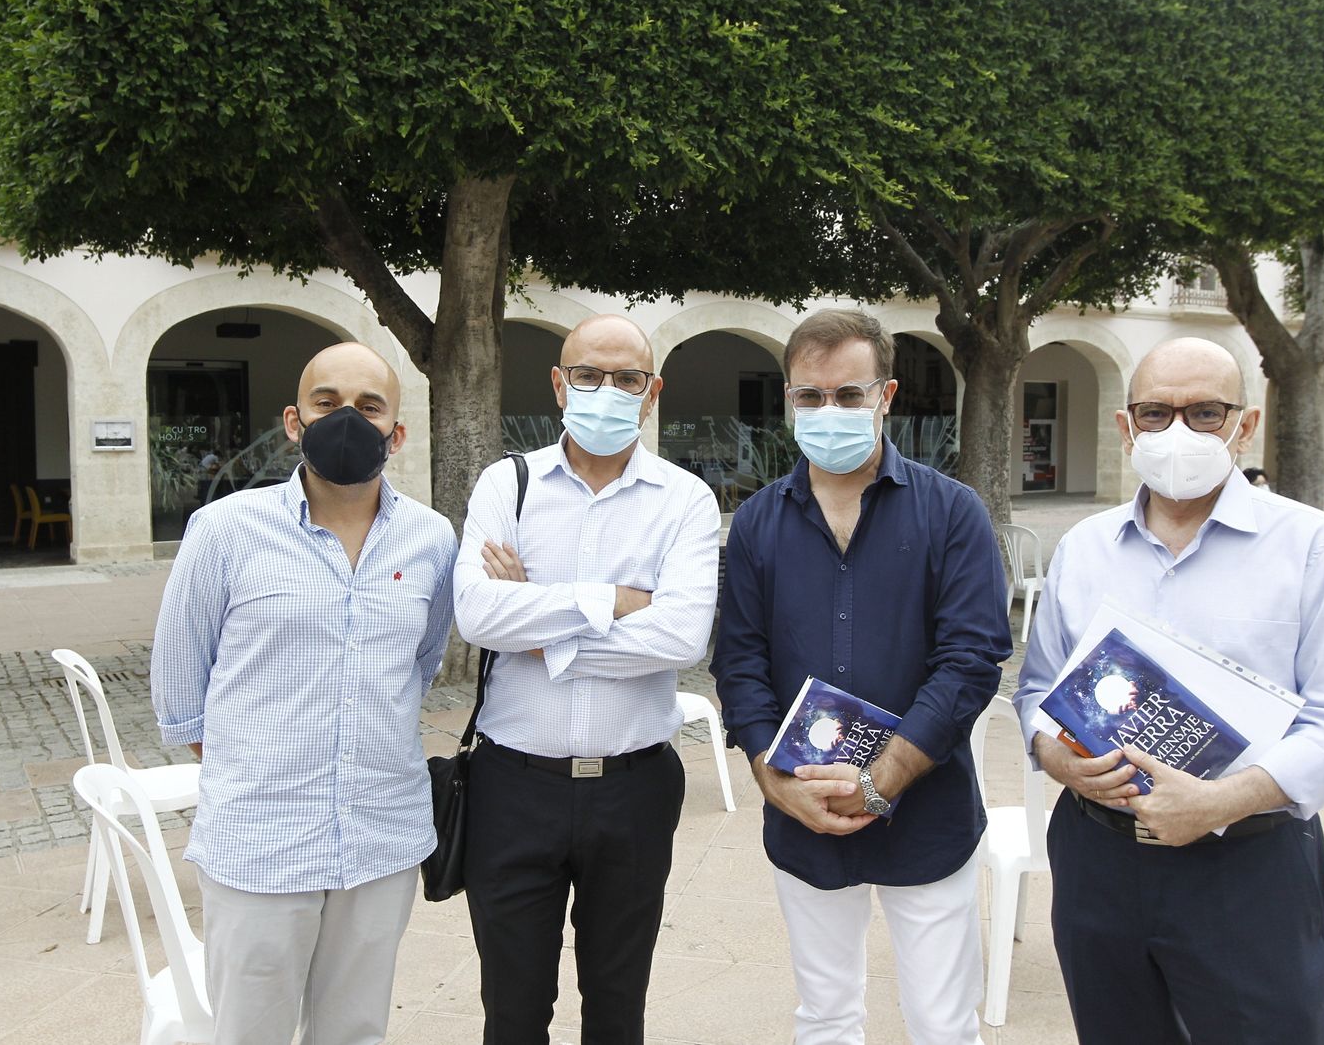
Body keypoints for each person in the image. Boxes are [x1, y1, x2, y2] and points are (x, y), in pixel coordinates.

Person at [1013, 337, 1324, 1044]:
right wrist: (1055, 759)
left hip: (1248, 863)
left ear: (1246, 425)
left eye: (1205, 411)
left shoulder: (1314, 548)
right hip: (1100, 857)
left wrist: (1216, 802)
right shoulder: (1084, 549)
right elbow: (1036, 689)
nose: (1178, 430)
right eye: (1156, 412)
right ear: (1126, 427)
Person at [712, 309, 1012, 1045]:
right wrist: (770, 778)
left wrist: (884, 779)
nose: (829, 411)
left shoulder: (953, 513)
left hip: (929, 812)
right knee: (825, 1017)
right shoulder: (756, 525)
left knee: (943, 1023)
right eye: (810, 397)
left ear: (887, 394)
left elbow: (971, 661)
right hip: (804, 812)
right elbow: (740, 663)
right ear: (788, 400)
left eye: (848, 394)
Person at [151, 342, 457, 1045]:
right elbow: (179, 687)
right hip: (262, 841)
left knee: (355, 1031)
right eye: (327, 402)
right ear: (295, 420)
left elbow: (420, 661)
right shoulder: (225, 531)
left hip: (382, 838)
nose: (346, 418)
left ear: (397, 432)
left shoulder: (432, 540)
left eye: (369, 406)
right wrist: (258, 765)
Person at [454, 314, 720, 1045]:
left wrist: (539, 627)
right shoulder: (506, 484)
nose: (607, 390)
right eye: (588, 374)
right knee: (512, 1009)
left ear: (652, 391)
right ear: (558, 383)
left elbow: (680, 635)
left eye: (626, 378)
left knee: (616, 1007)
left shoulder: (685, 499)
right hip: (514, 787)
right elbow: (478, 613)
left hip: (634, 787)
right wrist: (612, 600)